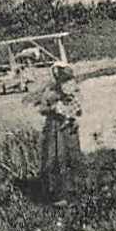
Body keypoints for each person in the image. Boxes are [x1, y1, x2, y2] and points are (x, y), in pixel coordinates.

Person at [36, 61, 83, 201]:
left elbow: (79, 109)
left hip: (68, 128)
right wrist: (54, 108)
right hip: (53, 128)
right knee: (54, 158)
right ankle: (57, 192)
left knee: (71, 157)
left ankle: (73, 190)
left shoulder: (72, 88)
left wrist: (70, 112)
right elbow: (42, 109)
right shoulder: (50, 91)